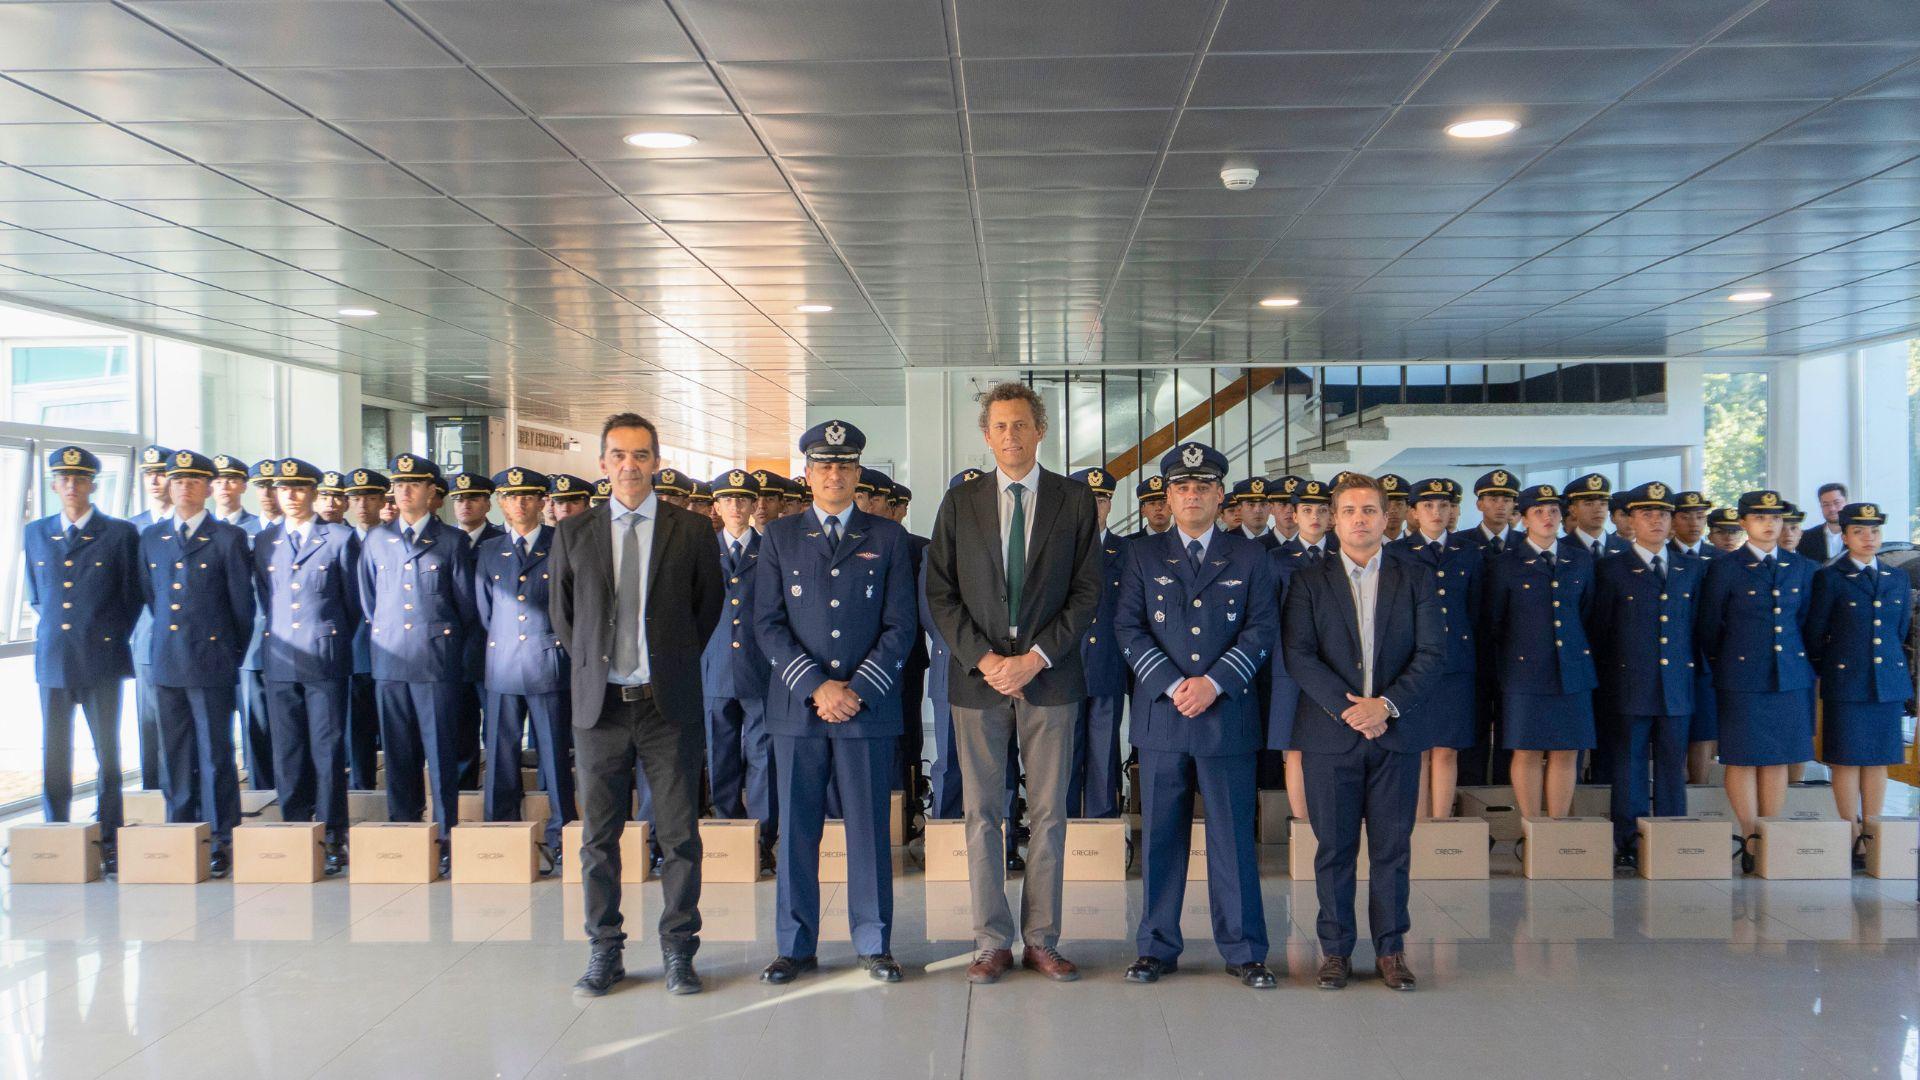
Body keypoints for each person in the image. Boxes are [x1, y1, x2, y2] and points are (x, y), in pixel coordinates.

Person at [925, 383, 1101, 985]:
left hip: (1049, 681)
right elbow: (940, 595)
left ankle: (1042, 940)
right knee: (983, 814)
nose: (1011, 436)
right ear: (986, 434)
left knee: (1049, 815)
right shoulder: (960, 503)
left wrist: (1037, 657)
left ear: (1040, 430)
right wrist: (987, 661)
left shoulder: (1074, 501)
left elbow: (1087, 593)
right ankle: (990, 941)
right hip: (977, 683)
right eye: (999, 426)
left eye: (1021, 425)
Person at [552, 414, 722, 998]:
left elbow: (706, 611)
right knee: (598, 838)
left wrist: (666, 664)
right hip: (599, 710)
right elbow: (565, 618)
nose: (630, 466)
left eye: (641, 455)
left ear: (656, 461)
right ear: (602, 464)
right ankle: (605, 950)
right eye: (618, 455)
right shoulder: (574, 533)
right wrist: (602, 665)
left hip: (665, 707)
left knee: (679, 836)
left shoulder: (693, 531)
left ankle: (679, 950)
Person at [756, 419, 915, 986]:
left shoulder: (888, 537)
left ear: (858, 474)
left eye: (845, 466)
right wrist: (816, 687)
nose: (834, 474)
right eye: (824, 465)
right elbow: (767, 625)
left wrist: (856, 691)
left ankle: (874, 943)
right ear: (807, 474)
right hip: (799, 709)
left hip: (865, 709)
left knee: (869, 830)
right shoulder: (778, 536)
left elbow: (901, 626)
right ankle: (795, 946)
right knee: (797, 830)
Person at [1114, 442, 1278, 990]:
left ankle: (1245, 949)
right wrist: (1172, 683)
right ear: (1167, 495)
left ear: (1219, 495)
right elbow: (1128, 629)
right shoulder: (1141, 555)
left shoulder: (1252, 557)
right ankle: (1156, 946)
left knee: (1233, 838)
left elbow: (1260, 631)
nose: (1191, 495)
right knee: (1161, 836)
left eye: (1203, 487)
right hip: (1163, 717)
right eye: (1182, 487)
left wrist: (1213, 683)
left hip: (1225, 714)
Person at [1283, 471, 1443, 992]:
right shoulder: (1308, 580)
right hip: (1331, 737)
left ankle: (1392, 950)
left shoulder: (1415, 575)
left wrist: (1387, 706)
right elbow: (1299, 655)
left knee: (1393, 848)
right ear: (1334, 518)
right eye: (1349, 510)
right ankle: (1334, 951)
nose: (1359, 519)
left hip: (1396, 734)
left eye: (1369, 510)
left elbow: (1432, 652)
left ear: (1385, 517)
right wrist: (1349, 710)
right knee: (1333, 848)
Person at [358, 454, 477, 878]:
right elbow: (369, 602)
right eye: (399, 484)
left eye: (415, 485)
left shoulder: (452, 542)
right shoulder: (376, 540)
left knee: (441, 753)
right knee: (399, 752)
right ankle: (404, 830)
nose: (405, 491)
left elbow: (466, 607)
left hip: (436, 661)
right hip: (391, 660)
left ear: (432, 493)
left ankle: (447, 836)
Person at [137, 450, 254, 878]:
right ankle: (181, 830)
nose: (184, 486)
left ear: (208, 488)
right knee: (175, 753)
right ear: (168, 485)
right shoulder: (151, 538)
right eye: (177, 480)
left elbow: (242, 606)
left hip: (212, 659)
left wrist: (228, 651)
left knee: (216, 754)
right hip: (167, 661)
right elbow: (151, 598)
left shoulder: (227, 538)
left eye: (194, 480)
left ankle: (223, 836)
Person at [28, 446, 142, 875]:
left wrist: (106, 635)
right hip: (54, 658)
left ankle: (110, 833)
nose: (72, 486)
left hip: (102, 656)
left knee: (107, 751)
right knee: (54, 749)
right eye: (64, 479)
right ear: (55, 485)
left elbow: (132, 597)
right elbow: (38, 596)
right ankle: (55, 827)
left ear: (94, 484)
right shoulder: (36, 532)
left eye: (80, 479)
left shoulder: (119, 533)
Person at [1697, 490, 1817, 873]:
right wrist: (1728, 661)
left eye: (1776, 518)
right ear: (1745, 523)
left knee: (1778, 758)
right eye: (1761, 518)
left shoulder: (1801, 567)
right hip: (1742, 673)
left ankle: (1770, 831)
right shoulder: (1726, 567)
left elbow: (1808, 625)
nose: (1770, 524)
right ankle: (1749, 836)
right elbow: (1710, 626)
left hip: (1789, 675)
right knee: (1744, 757)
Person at [253, 458, 360, 875]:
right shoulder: (266, 541)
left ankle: (332, 833)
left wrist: (329, 636)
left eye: (299, 489)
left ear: (314, 493)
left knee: (328, 748)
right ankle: (295, 827)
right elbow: (267, 598)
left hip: (325, 657)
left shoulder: (338, 538)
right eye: (284, 489)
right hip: (280, 659)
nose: (291, 496)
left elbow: (353, 601)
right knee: (288, 749)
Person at [1588, 482, 1701, 867]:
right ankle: (1628, 839)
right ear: (1630, 520)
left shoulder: (1692, 569)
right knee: (1630, 762)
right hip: (1628, 682)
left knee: (1673, 763)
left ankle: (1671, 835)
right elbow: (1600, 629)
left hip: (1677, 685)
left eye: (1663, 515)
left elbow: (1700, 628)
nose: (1656, 521)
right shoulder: (1611, 569)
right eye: (1647, 514)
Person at [474, 466, 574, 872]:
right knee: (501, 755)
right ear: (501, 502)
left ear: (542, 502)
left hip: (547, 662)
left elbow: (572, 606)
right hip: (502, 666)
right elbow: (485, 611)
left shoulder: (560, 543)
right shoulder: (488, 550)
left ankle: (563, 833)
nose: (520, 503)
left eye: (529, 496)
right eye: (512, 497)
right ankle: (501, 833)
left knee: (554, 756)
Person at [1484, 484, 1597, 821]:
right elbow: (1494, 621)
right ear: (1523, 518)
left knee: (1567, 750)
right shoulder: (1506, 563)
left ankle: (1557, 825)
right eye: (1538, 512)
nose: (1547, 518)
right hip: (1525, 671)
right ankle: (1531, 824)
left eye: (1553, 511)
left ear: (1563, 516)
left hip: (1572, 670)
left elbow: (1588, 613)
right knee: (1527, 749)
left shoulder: (1580, 560)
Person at [1806, 502, 1911, 865]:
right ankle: (1850, 833)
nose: (1869, 538)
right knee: (1847, 759)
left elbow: (1899, 630)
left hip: (1887, 681)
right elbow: (1816, 632)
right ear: (1846, 535)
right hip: (1847, 678)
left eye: (1875, 532)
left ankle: (1872, 827)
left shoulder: (1897, 577)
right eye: (1860, 532)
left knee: (1878, 760)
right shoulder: (1831, 577)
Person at [1387, 478, 1482, 820]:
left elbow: (1476, 609)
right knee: (1417, 748)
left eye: (1444, 505)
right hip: (1411, 663)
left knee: (1446, 749)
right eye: (1427, 505)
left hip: (1455, 662)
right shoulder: (1396, 553)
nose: (1437, 512)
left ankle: (1441, 824)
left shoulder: (1468, 552)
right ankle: (1416, 825)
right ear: (1412, 512)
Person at [703, 468, 776, 874]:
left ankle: (763, 838)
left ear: (753, 506)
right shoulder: (702, 550)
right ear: (717, 506)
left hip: (759, 667)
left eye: (743, 500)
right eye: (728, 500)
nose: (735, 507)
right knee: (721, 754)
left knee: (762, 756)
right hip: (713, 667)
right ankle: (727, 832)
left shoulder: (770, 551)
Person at [1067, 467, 1127, 818]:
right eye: (1087, 499)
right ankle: (1065, 829)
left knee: (1105, 752)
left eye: (1102, 499)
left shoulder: (1127, 551)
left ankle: (1101, 830)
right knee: (1064, 755)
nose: (1095, 506)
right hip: (1065, 665)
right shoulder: (1056, 549)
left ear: (1110, 505)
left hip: (1108, 662)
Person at [925, 468, 985, 819]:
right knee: (948, 760)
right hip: (951, 669)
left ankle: (1004, 840)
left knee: (999, 762)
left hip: (993, 669)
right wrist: (972, 648)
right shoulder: (932, 553)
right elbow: (931, 614)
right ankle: (946, 832)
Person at [449, 472, 503, 790]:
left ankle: (496, 789)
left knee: (495, 730)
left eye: (472, 498)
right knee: (459, 730)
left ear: (487, 504)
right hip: (452, 653)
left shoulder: (498, 543)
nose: (465, 504)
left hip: (490, 651)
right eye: (459, 499)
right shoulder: (443, 541)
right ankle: (465, 794)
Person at [129, 445, 173, 794]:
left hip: (194, 644)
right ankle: (152, 800)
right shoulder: (131, 530)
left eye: (161, 473)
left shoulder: (202, 525)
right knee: (149, 726)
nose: (155, 480)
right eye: (149, 474)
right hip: (146, 640)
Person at [341, 469, 389, 790]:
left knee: (396, 729)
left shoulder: (393, 539)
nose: (362, 505)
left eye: (370, 497)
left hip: (391, 650)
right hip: (353, 649)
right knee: (356, 730)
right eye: (356, 498)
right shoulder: (338, 541)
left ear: (382, 500)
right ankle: (362, 792)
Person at [1668, 491, 1720, 784]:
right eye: (1686, 516)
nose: (1694, 522)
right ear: (1673, 520)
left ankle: (1698, 793)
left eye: (1700, 516)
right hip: (1672, 653)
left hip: (1706, 656)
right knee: (1673, 731)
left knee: (1703, 728)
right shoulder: (1662, 556)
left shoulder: (1721, 559)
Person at [236, 458, 277, 792]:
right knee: (257, 729)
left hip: (298, 645)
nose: (268, 493)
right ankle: (263, 797)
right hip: (252, 643)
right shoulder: (241, 535)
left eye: (273, 486)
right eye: (261, 486)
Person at [1451, 469, 1520, 554]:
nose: (1500, 506)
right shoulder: (1457, 541)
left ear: (1514, 505)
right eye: (1493, 500)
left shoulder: (1526, 542)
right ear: (1479, 505)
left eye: (1506, 500)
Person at [1277, 479, 1335, 560]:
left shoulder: (1344, 552)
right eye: (1307, 510)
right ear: (1295, 517)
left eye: (1322, 510)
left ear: (1329, 515)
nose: (1315, 516)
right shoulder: (1278, 557)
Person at [1563, 473, 1613, 560]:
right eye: (1589, 504)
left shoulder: (1626, 547)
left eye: (1603, 504)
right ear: (1573, 510)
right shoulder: (1560, 549)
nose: (1598, 509)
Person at [1797, 482, 1850, 563]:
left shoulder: (1858, 536)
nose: (1832, 508)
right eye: (1826, 504)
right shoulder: (1806, 538)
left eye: (1836, 503)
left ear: (1846, 503)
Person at [1231, 477, 1279, 549]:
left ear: (1271, 508)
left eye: (1263, 504)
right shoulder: (1225, 541)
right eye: (1251, 505)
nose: (1258, 510)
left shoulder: (1281, 542)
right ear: (1239, 508)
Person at [1379, 474, 1410, 540]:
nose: (1393, 510)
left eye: (1399, 504)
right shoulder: (1362, 547)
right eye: (1386, 504)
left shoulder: (1420, 548)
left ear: (1407, 508)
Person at [1270, 477, 1301, 543]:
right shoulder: (1257, 546)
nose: (1289, 510)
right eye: (1282, 504)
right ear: (1271, 508)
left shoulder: (1314, 545)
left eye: (1294, 504)